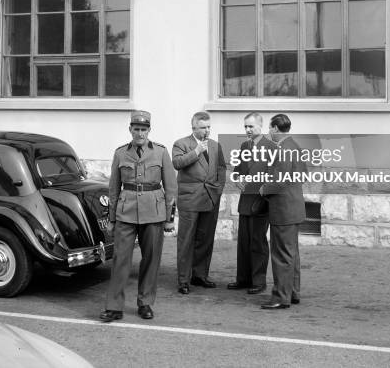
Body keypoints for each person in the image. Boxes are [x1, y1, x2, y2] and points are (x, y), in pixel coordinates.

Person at [100, 111, 177, 322]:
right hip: (126, 212)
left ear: (149, 130)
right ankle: (114, 306)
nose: (140, 133)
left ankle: (145, 303)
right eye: (137, 129)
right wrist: (112, 219)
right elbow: (113, 189)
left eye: (144, 129)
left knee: (151, 259)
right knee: (120, 260)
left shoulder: (161, 152)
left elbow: (171, 187)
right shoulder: (120, 153)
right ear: (130, 130)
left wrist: (170, 218)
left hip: (154, 211)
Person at [172, 111, 226, 294]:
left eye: (209, 127)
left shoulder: (216, 146)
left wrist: (218, 191)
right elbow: (177, 163)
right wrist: (196, 151)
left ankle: (200, 275)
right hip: (190, 199)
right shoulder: (181, 144)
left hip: (210, 198)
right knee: (186, 240)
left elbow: (221, 169)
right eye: (203, 127)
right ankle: (183, 280)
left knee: (205, 238)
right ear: (194, 127)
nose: (207, 131)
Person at [259, 113, 307, 310]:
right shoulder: (295, 146)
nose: (269, 132)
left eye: (270, 128)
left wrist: (263, 189)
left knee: (281, 255)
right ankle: (292, 292)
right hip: (294, 207)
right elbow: (303, 175)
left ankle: (280, 297)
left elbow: (279, 181)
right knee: (292, 254)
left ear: (276, 129)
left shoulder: (283, 150)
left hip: (283, 209)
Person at [227, 113, 276, 295]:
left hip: (261, 202)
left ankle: (259, 280)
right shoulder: (244, 146)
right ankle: (243, 279)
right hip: (245, 200)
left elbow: (273, 176)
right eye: (245, 126)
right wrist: (237, 179)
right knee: (244, 242)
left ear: (260, 126)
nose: (248, 130)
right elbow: (238, 170)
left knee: (258, 242)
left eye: (251, 126)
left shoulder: (272, 148)